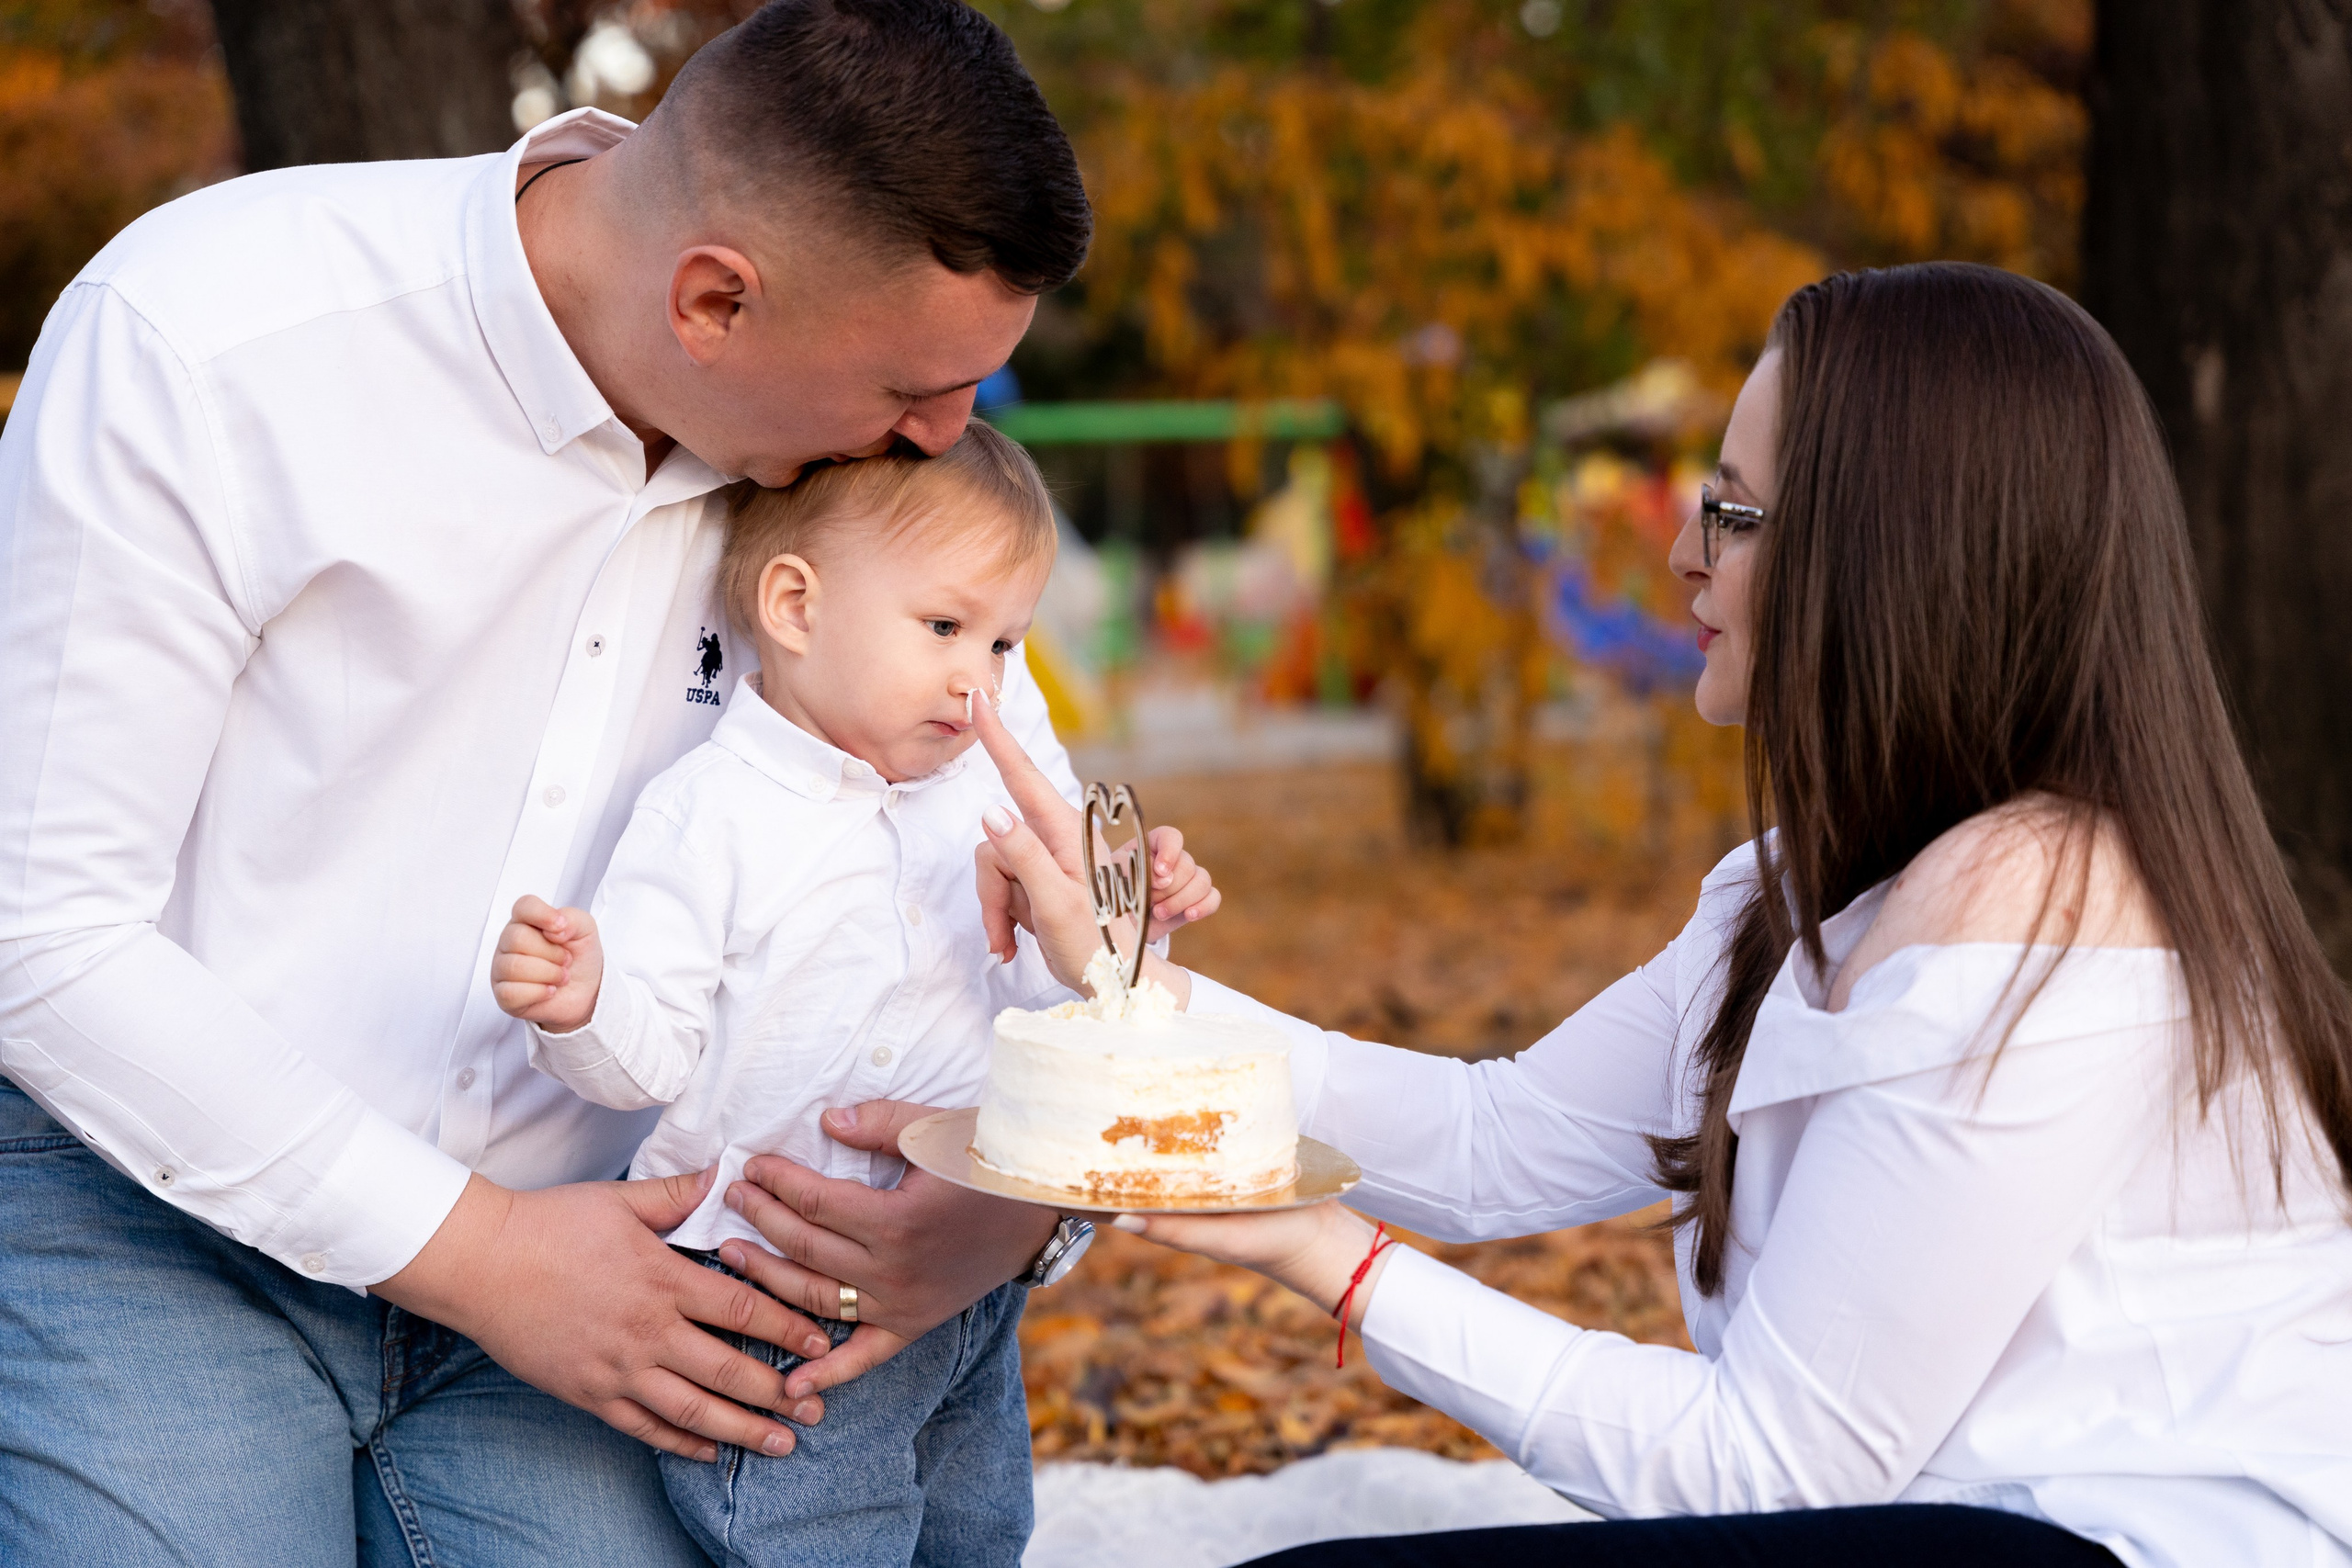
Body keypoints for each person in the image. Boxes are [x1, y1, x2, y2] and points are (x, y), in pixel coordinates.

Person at [944, 263, 2352, 1567]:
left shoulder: (2040, 901)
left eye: (1733, 512)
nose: (1683, 550)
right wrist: (1121, 980)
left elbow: (1771, 1470)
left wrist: (1328, 1256)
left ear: (1893, 555)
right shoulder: (1805, 892)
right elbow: (1488, 1142)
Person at [0, 3, 1102, 1562]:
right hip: (156, 1203)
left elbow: (1044, 872)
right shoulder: (212, 335)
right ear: (715, 299)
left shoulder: (858, 477)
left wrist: (1022, 1210)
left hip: (629, 1241)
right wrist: (489, 1257)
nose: (950, 436)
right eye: (915, 388)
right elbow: (37, 930)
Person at [489, 423, 1218, 1566]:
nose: (980, 678)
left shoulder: (991, 797)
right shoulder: (710, 815)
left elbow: (1065, 999)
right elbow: (653, 1061)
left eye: (1006, 643)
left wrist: (1134, 916)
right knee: (819, 1540)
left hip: (965, 1282)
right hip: (778, 1294)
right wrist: (585, 1002)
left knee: (979, 1530)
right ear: (794, 606)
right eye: (944, 629)